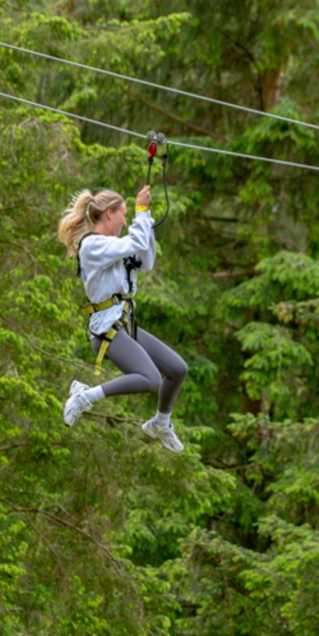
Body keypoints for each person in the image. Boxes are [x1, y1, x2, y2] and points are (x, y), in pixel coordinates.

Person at [57, 184, 187, 452]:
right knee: (150, 379)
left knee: (177, 370)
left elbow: (146, 260)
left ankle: (160, 424)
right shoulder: (93, 245)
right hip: (107, 330)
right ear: (108, 214)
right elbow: (134, 242)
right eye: (123, 214)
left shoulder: (114, 247)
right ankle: (85, 396)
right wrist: (141, 211)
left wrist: (145, 219)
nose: (126, 220)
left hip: (125, 325)